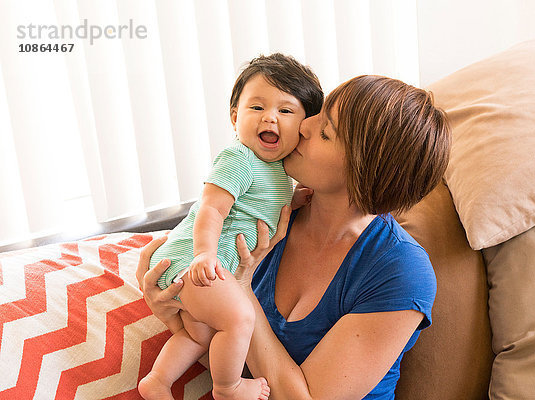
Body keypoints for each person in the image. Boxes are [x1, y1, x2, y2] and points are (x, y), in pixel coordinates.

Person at [138, 75, 451, 399]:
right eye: (318, 112)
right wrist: (178, 314)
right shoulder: (264, 216)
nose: (302, 125)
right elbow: (237, 364)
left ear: (365, 170)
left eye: (325, 131)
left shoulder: (400, 272)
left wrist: (242, 290)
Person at [137, 54, 323, 400]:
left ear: (305, 127)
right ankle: (228, 388)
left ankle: (158, 381)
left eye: (285, 111)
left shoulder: (279, 173)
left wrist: (295, 202)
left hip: (200, 267)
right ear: (235, 118)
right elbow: (210, 209)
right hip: (196, 261)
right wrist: (204, 255)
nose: (270, 116)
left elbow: (261, 206)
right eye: (257, 107)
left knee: (201, 334)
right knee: (239, 317)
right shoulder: (239, 158)